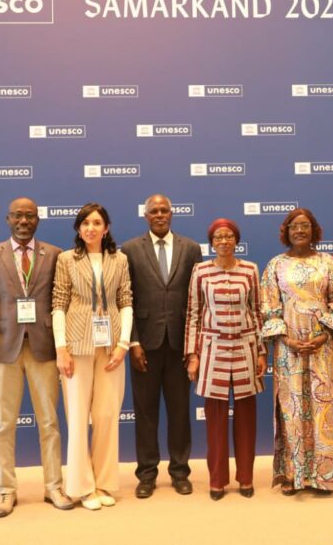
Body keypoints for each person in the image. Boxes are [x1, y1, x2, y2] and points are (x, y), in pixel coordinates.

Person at [0, 198, 73, 517]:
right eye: (17, 215)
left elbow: (60, 301)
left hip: (43, 347)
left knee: (49, 421)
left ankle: (53, 486)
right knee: (4, 424)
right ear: (8, 219)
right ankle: (6, 490)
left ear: (38, 219)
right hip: (3, 347)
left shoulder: (55, 254)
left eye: (29, 216)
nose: (23, 221)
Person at [260, 207, 333, 494]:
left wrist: (324, 336)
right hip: (288, 349)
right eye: (294, 226)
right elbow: (269, 308)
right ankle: (292, 475)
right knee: (292, 409)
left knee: (323, 409)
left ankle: (324, 475)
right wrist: (287, 340)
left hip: (322, 347)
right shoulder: (275, 265)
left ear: (314, 231)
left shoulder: (329, 263)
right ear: (286, 231)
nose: (299, 230)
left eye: (305, 225)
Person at [52, 203, 132, 510]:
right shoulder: (66, 259)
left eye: (97, 223)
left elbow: (126, 300)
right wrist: (61, 347)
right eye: (85, 223)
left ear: (106, 228)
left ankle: (103, 483)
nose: (91, 228)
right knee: (77, 416)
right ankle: (81, 487)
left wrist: (124, 343)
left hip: (111, 345)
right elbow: (58, 303)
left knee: (107, 415)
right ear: (78, 228)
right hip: (76, 345)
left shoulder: (120, 259)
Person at [122, 194, 202, 498]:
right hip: (144, 344)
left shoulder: (190, 248)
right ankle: (146, 474)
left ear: (171, 213)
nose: (159, 214)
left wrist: (193, 346)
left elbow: (197, 299)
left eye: (164, 210)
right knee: (145, 412)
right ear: (145, 216)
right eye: (153, 211)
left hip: (180, 343)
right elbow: (125, 299)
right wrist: (133, 341)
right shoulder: (130, 249)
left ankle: (180, 472)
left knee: (180, 412)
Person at [184, 219, 267, 500]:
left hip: (245, 347)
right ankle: (217, 480)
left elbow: (257, 311)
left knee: (246, 417)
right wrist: (193, 355)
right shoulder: (201, 271)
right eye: (218, 237)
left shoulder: (250, 269)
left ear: (236, 241)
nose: (224, 241)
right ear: (211, 242)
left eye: (229, 236)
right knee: (216, 419)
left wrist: (261, 351)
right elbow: (193, 314)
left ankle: (245, 478)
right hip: (213, 349)